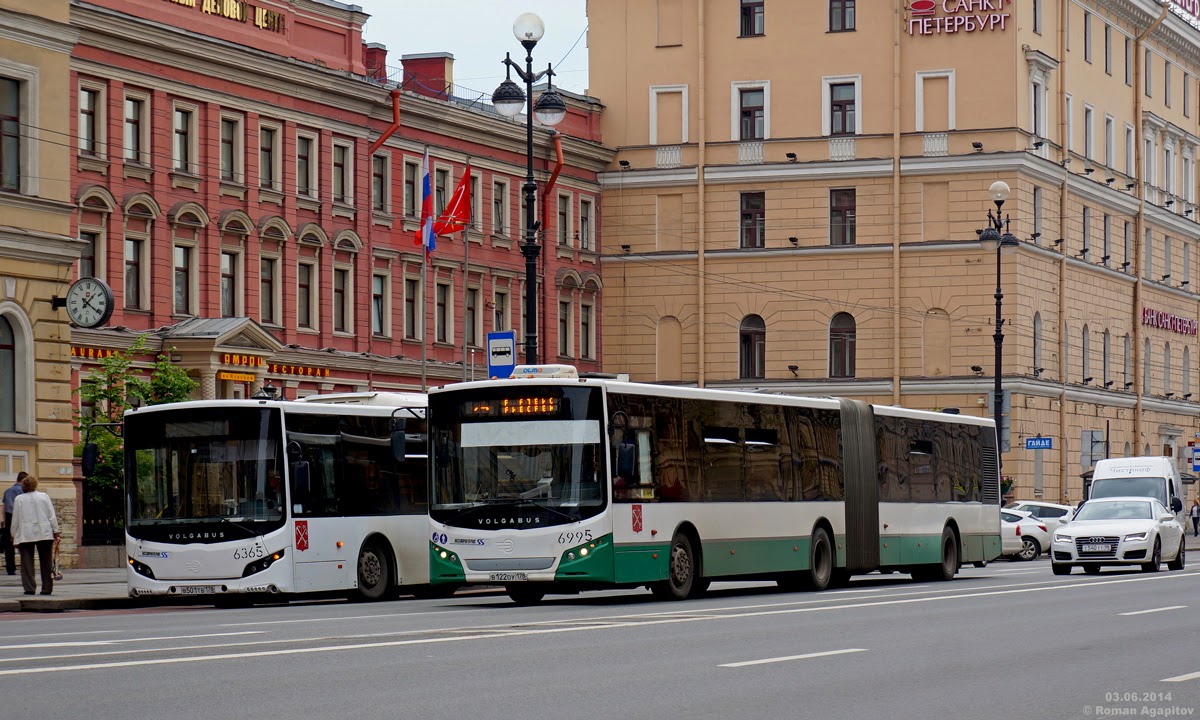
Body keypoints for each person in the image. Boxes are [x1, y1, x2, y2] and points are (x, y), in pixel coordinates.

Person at [10, 475, 60, 596]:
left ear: (24, 486)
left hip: (25, 533)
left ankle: (29, 588)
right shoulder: (44, 496)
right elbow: (51, 515)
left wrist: (13, 535)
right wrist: (56, 531)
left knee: (26, 563)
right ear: (35, 485)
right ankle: (47, 588)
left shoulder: (19, 499)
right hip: (45, 532)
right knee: (46, 562)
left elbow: (15, 519)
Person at [1, 471, 26, 575]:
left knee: (9, 546)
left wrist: (3, 521)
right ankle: (25, 566)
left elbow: (5, 507)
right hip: (22, 518)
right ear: (24, 480)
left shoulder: (8, 491)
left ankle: (10, 568)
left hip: (9, 519)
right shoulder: (24, 491)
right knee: (24, 545)